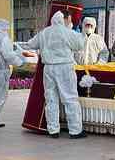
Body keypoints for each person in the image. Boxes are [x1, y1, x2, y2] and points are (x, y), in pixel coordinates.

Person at [26, 10, 86, 139]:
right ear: (64, 19)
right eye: (69, 19)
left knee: (51, 99)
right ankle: (75, 131)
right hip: (64, 67)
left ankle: (53, 130)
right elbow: (80, 45)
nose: (70, 22)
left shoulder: (44, 32)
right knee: (70, 98)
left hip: (48, 68)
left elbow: (30, 44)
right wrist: (80, 34)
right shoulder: (67, 32)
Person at [0, 19, 35, 129]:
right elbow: (8, 55)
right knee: (0, 97)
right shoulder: (2, 37)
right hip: (1, 71)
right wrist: (21, 63)